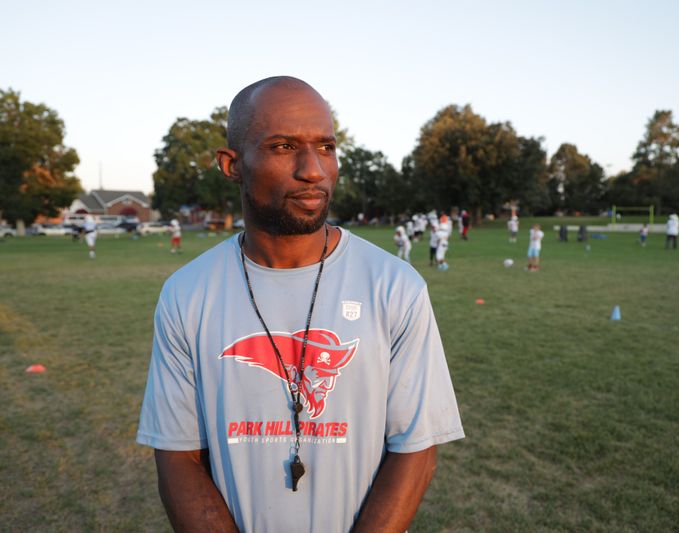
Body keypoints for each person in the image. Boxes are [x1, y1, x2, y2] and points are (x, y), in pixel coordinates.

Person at [136, 77, 464, 533]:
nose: (313, 169)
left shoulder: (394, 286)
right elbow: (178, 456)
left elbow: (416, 450)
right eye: (284, 146)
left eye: (326, 147)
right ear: (232, 164)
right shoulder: (187, 293)